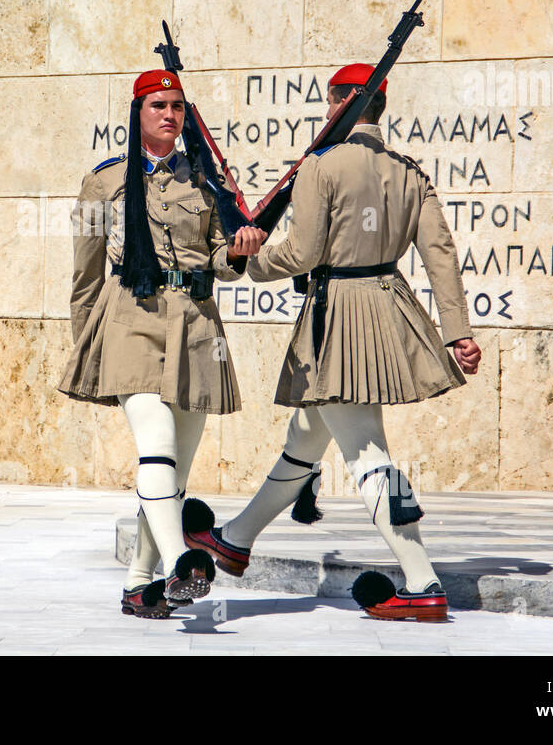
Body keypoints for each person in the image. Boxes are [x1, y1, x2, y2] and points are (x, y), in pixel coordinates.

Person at [182, 64, 481, 622]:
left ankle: (422, 583)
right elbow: (441, 255)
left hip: (340, 315)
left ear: (343, 104)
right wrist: (456, 332)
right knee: (307, 436)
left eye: (328, 104)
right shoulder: (409, 172)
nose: (324, 114)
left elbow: (300, 254)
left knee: (367, 452)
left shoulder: (320, 166)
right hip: (390, 307)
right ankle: (236, 539)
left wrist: (245, 260)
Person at [59, 69, 267, 618]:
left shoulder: (206, 182)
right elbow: (85, 274)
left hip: (196, 326)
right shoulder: (105, 181)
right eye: (158, 105)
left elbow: (224, 263)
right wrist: (87, 342)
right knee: (156, 445)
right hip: (132, 320)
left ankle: (138, 583)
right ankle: (181, 560)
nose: (169, 114)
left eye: (177, 105)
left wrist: (242, 249)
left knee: (174, 472)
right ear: (137, 113)